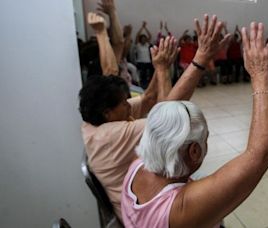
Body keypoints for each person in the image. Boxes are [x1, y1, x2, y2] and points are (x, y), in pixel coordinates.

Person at [120, 20, 268, 228]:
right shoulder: (181, 208)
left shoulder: (138, 163)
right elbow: (261, 154)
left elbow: (166, 111)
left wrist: (201, 57)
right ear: (194, 151)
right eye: (206, 139)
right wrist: (260, 74)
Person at [80, 14, 231, 220]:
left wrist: (160, 66)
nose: (128, 105)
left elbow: (150, 98)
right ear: (108, 112)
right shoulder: (112, 134)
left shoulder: (93, 121)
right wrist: (200, 58)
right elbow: (168, 115)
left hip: (135, 191)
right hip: (138, 212)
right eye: (124, 103)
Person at [135, 21, 154, 89]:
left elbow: (150, 36)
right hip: (140, 62)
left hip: (148, 62)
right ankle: (142, 85)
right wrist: (142, 27)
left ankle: (150, 84)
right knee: (142, 74)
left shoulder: (147, 45)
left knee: (152, 70)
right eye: (142, 39)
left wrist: (145, 28)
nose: (144, 40)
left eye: (144, 39)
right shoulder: (138, 45)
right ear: (140, 40)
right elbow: (137, 35)